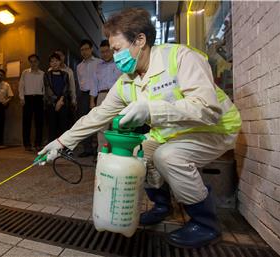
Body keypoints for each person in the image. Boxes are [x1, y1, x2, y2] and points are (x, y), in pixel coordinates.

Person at [39, 8, 241, 248]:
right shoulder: (126, 81)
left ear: (140, 40)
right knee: (138, 152)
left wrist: (151, 110)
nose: (114, 57)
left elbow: (208, 109)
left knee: (169, 156)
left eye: (117, 49)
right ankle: (162, 206)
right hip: (173, 132)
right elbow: (98, 115)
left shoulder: (180, 57)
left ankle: (206, 223)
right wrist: (62, 142)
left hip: (215, 128)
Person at [91, 39, 122, 152]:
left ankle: (116, 153)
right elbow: (94, 84)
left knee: (117, 126)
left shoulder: (120, 63)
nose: (104, 54)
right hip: (101, 96)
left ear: (112, 50)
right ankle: (101, 154)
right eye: (102, 52)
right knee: (101, 126)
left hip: (118, 96)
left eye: (107, 51)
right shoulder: (98, 66)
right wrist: (92, 101)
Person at [76, 39, 102, 157]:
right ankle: (87, 148)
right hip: (83, 95)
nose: (84, 52)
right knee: (84, 122)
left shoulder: (99, 62)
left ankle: (99, 148)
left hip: (97, 95)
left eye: (86, 49)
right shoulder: (79, 66)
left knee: (98, 122)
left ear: (91, 49)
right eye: (82, 50)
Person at [19, 54, 45, 152]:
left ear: (38, 62)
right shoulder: (25, 73)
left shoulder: (42, 74)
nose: (33, 63)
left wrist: (45, 99)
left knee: (39, 122)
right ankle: (27, 144)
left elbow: (45, 88)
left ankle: (38, 143)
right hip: (28, 99)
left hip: (39, 98)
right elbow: (21, 86)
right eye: (31, 61)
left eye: (35, 61)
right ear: (29, 62)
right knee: (26, 122)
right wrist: (22, 98)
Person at [44, 53, 72, 141]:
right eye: (52, 61)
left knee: (63, 126)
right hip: (51, 104)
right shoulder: (46, 75)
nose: (54, 63)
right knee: (52, 126)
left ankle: (63, 148)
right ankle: (52, 148)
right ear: (49, 63)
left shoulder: (65, 74)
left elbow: (66, 88)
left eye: (56, 61)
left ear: (60, 62)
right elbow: (48, 89)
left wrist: (61, 101)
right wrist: (55, 102)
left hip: (63, 103)